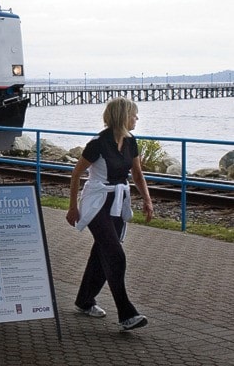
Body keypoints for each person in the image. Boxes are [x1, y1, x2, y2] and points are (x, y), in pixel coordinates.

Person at [65, 97, 154, 332]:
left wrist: (146, 199)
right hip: (97, 203)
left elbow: (137, 174)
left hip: (117, 201)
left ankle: (84, 301)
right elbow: (75, 175)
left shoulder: (131, 142)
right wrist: (73, 207)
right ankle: (126, 313)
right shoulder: (98, 143)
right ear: (122, 116)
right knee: (115, 254)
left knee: (101, 253)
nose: (137, 118)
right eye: (134, 114)